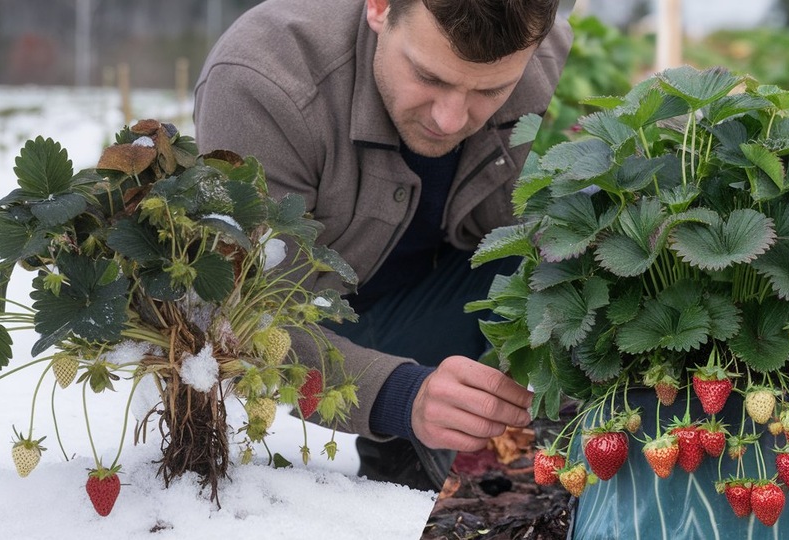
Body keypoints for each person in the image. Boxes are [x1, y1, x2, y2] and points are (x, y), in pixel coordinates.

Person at [194, 0, 572, 491]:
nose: (451, 118)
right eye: (429, 77)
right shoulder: (263, 82)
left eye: (491, 89)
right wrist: (400, 395)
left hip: (449, 293)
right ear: (379, 7)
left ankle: (472, 452)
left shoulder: (554, 58)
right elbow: (242, 321)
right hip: (333, 327)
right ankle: (408, 441)